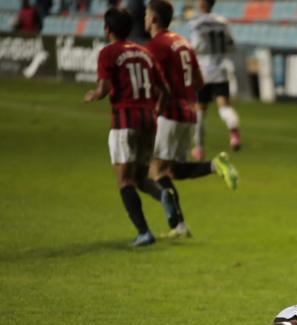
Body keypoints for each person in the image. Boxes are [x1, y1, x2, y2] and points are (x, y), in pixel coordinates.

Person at [84, 8, 179, 247]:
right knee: (139, 177)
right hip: (149, 121)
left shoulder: (108, 53)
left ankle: (144, 232)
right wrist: (157, 108)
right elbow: (165, 91)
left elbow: (104, 88)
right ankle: (163, 195)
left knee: (125, 181)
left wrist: (95, 94)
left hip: (124, 121)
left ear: (107, 29)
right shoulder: (145, 53)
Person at [144, 0, 239, 238]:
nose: (144, 18)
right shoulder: (182, 42)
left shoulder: (156, 46)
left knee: (156, 171)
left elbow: (154, 84)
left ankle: (178, 224)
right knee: (173, 170)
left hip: (169, 113)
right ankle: (214, 166)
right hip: (188, 113)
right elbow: (198, 82)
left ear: (154, 18)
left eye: (146, 14)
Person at [189, 0, 242, 153]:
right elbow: (231, 45)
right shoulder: (222, 22)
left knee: (199, 109)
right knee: (224, 105)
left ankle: (198, 148)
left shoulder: (196, 24)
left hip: (203, 71)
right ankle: (234, 134)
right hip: (220, 68)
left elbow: (194, 47)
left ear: (201, 4)